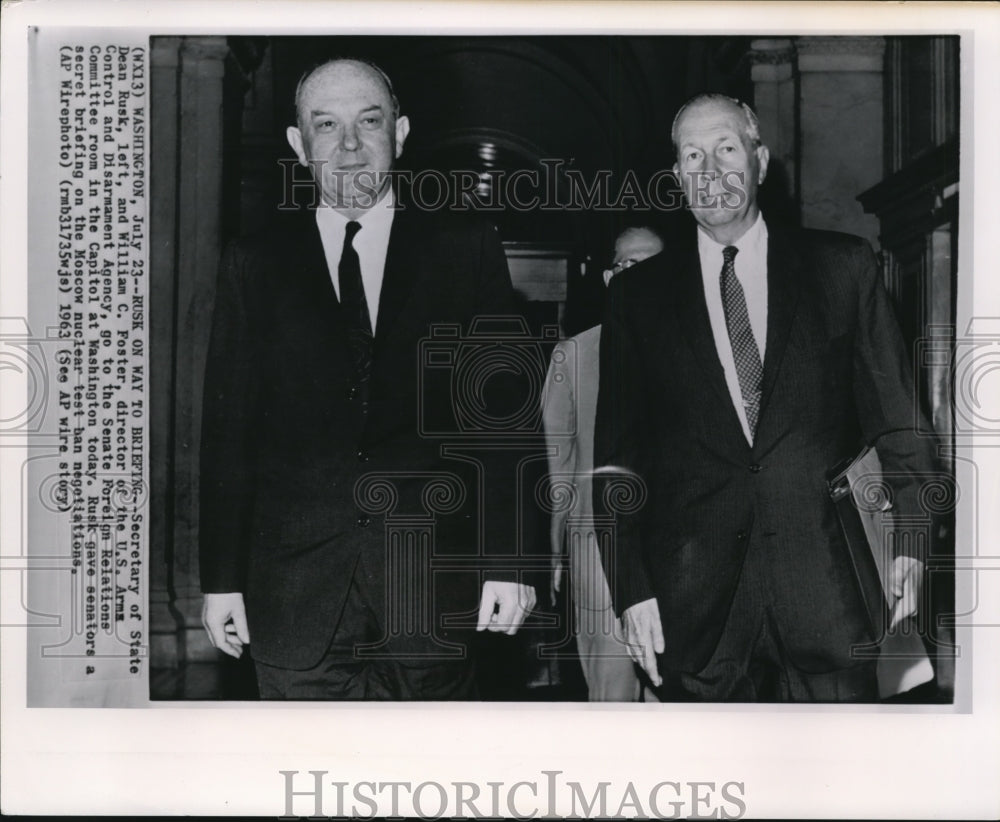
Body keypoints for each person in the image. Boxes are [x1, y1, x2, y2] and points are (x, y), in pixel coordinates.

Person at [199, 58, 536, 699]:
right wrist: (221, 579)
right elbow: (227, 429)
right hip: (292, 597)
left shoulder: (464, 248)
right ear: (300, 146)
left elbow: (505, 418)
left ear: (401, 134)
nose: (349, 145)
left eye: (369, 121)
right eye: (326, 125)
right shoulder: (255, 262)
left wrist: (511, 561)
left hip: (430, 588)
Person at [593, 93, 937, 702]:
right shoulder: (637, 298)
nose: (710, 170)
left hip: (829, 590)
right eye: (691, 156)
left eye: (726, 148)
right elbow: (617, 456)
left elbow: (898, 419)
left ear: (760, 159)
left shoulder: (843, 268)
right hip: (693, 604)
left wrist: (910, 540)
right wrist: (631, 587)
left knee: (834, 789)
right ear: (676, 177)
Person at [541, 226, 663, 701]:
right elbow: (560, 469)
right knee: (615, 691)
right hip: (600, 546)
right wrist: (557, 553)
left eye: (653, 266)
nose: (641, 278)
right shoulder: (573, 355)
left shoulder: (701, 353)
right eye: (629, 266)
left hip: (685, 545)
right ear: (610, 278)